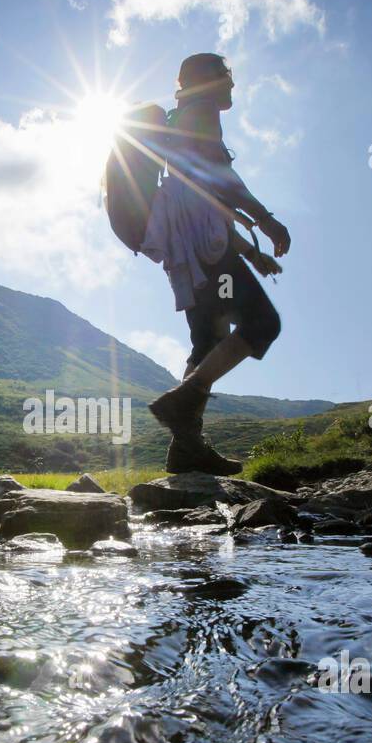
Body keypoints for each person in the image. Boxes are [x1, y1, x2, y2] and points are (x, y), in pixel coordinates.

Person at [147, 53, 291, 476]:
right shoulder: (203, 111)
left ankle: (186, 449)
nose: (231, 85)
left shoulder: (179, 122)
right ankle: (185, 399)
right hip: (206, 248)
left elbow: (201, 197)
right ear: (209, 81)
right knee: (263, 324)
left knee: (208, 343)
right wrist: (264, 219)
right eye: (227, 76)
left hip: (188, 250)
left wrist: (250, 254)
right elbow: (220, 183)